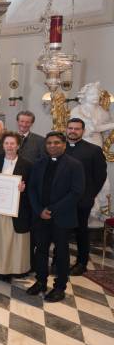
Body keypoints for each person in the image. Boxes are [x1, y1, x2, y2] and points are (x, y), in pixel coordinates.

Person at [27, 131, 84, 302]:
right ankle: (41, 281)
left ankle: (60, 287)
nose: (52, 145)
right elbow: (32, 189)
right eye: (49, 143)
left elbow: (76, 192)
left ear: (64, 145)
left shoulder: (75, 165)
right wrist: (39, 210)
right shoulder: (39, 163)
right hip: (41, 216)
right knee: (41, 250)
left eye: (57, 142)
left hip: (61, 217)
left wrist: (51, 210)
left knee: (61, 253)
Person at [0, 131, 32, 281]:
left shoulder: (27, 165)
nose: (9, 146)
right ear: (3, 145)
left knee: (9, 242)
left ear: (18, 146)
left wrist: (24, 189)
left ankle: (9, 269)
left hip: (14, 211)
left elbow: (32, 187)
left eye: (12, 143)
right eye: (7, 143)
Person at [65, 118, 107, 276]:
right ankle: (58, 260)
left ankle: (81, 262)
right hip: (61, 200)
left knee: (81, 231)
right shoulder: (59, 148)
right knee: (60, 231)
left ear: (82, 131)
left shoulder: (93, 150)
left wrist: (90, 195)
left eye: (77, 128)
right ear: (66, 129)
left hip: (82, 200)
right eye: (70, 128)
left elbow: (100, 176)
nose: (73, 131)